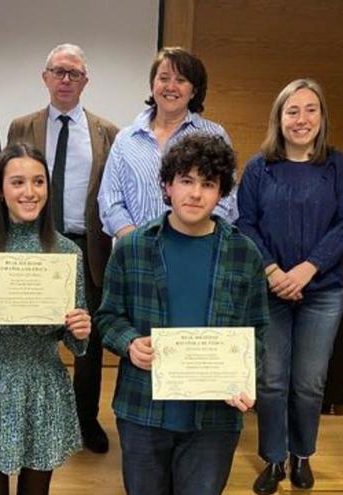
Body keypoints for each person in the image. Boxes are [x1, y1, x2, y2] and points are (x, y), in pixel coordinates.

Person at [96, 134, 269, 495]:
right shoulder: (132, 248)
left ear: (221, 192)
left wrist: (245, 375)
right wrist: (129, 344)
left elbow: (258, 331)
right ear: (168, 185)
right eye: (186, 181)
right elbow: (107, 318)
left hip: (214, 419)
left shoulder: (245, 254)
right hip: (143, 411)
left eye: (208, 184)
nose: (195, 193)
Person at [0, 143, 91, 495]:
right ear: (0, 190)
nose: (30, 192)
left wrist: (81, 329)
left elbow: (76, 344)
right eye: (18, 182)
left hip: (41, 383)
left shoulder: (67, 252)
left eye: (39, 182)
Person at [235, 79, 343, 494]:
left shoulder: (338, 166)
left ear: (322, 116)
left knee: (308, 382)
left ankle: (302, 453)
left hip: (322, 290)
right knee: (270, 381)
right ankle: (273, 459)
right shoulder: (258, 167)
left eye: (310, 110)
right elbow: (245, 224)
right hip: (270, 290)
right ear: (279, 118)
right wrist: (272, 271)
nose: (301, 119)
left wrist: (307, 269)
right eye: (292, 111)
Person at [7, 43, 119, 453]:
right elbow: (10, 181)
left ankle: (86, 420)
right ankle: (29, 418)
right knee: (29, 334)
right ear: (45, 77)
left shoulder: (107, 131)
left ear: (85, 81)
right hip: (34, 243)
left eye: (74, 73)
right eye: (58, 71)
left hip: (87, 248)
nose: (66, 79)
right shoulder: (22, 126)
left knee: (85, 341)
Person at [98, 47, 237, 239]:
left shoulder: (214, 135)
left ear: (194, 90)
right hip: (137, 255)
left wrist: (197, 236)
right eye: (163, 78)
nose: (171, 87)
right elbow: (110, 199)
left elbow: (227, 198)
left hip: (196, 248)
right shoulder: (126, 139)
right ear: (152, 84)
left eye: (180, 80)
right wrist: (136, 242)